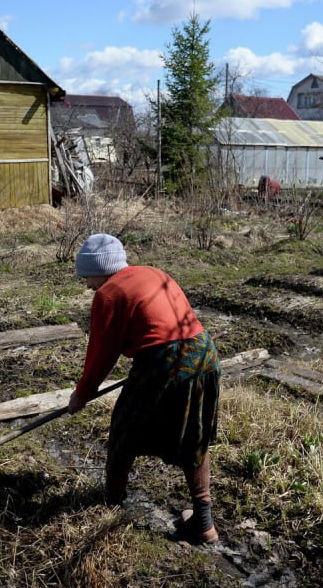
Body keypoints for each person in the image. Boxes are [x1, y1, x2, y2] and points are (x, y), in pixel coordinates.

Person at [66, 233, 221, 544]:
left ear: (100, 269)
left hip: (166, 362)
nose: (87, 285)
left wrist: (82, 393)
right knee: (195, 435)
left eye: (87, 277)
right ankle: (204, 523)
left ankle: (111, 502)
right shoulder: (153, 273)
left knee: (124, 428)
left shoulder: (109, 293)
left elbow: (101, 354)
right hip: (205, 354)